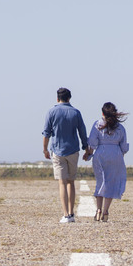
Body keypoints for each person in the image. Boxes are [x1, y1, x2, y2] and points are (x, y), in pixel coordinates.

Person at [41, 87, 89, 224]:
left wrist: (45, 149)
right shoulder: (76, 112)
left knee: (62, 182)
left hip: (57, 150)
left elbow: (46, 133)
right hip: (73, 149)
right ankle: (72, 213)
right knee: (71, 182)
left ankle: (65, 214)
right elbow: (82, 131)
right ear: (69, 98)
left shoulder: (51, 112)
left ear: (57, 98)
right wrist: (86, 148)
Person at [83, 102, 128, 222]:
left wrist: (88, 153)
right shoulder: (120, 127)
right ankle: (106, 211)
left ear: (102, 113)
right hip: (116, 153)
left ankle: (98, 210)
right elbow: (123, 146)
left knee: (101, 181)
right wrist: (119, 156)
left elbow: (92, 142)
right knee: (111, 183)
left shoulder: (97, 124)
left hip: (101, 153)